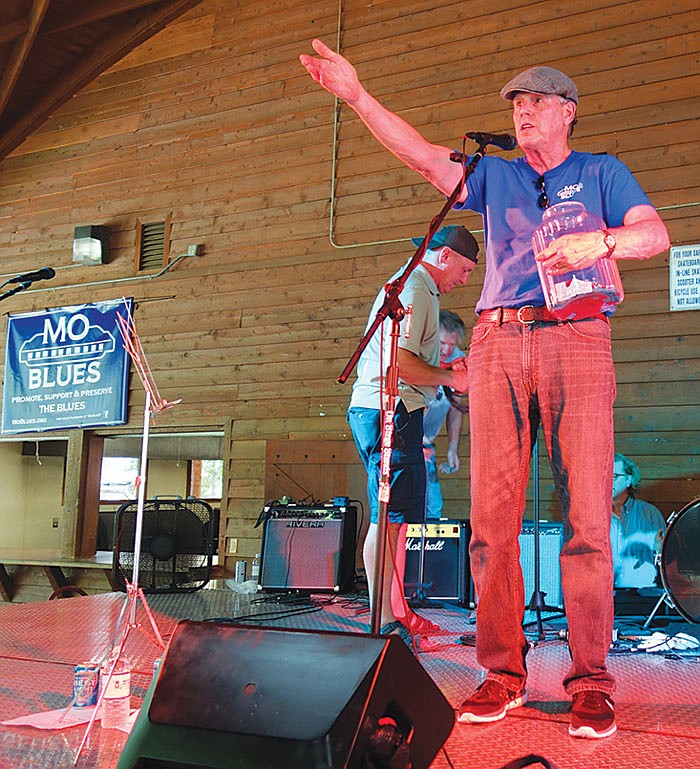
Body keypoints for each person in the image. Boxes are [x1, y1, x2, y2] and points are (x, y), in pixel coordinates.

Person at [301, 41, 671, 739]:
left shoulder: (601, 171)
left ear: (567, 112)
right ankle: (500, 673)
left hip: (579, 334)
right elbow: (418, 153)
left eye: (536, 101)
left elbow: (655, 234)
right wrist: (357, 95)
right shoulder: (495, 177)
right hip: (500, 339)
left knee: (587, 514)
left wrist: (603, 243)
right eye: (516, 104)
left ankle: (591, 680)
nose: (523, 111)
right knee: (492, 518)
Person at [347, 225, 476, 648]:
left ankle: (394, 611)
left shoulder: (421, 287)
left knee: (398, 521)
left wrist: (447, 377)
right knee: (386, 520)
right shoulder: (416, 289)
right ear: (443, 257)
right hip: (388, 409)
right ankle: (383, 619)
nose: (465, 279)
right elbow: (395, 363)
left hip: (398, 410)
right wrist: (452, 378)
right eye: (464, 268)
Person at [422, 309, 468, 520]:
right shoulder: (420, 353)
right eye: (442, 343)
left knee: (433, 507)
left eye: (452, 344)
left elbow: (455, 407)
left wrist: (452, 448)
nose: (447, 350)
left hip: (426, 443)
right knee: (402, 505)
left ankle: (428, 551)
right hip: (402, 440)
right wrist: (416, 441)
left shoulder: (458, 360)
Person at [611, 453, 666, 589]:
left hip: (642, 597)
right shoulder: (593, 515)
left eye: (614, 477)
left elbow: (667, 560)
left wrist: (661, 550)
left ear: (629, 480)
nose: (607, 482)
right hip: (604, 598)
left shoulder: (649, 514)